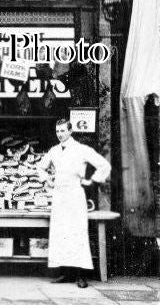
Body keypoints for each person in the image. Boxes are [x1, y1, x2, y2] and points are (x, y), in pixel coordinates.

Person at [37, 118, 111, 289]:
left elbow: (104, 165)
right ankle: (66, 273)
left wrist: (92, 181)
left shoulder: (81, 149)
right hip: (59, 195)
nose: (60, 134)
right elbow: (41, 167)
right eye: (57, 131)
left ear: (70, 131)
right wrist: (46, 179)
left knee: (77, 233)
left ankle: (81, 275)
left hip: (75, 195)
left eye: (63, 131)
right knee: (61, 233)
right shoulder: (54, 151)